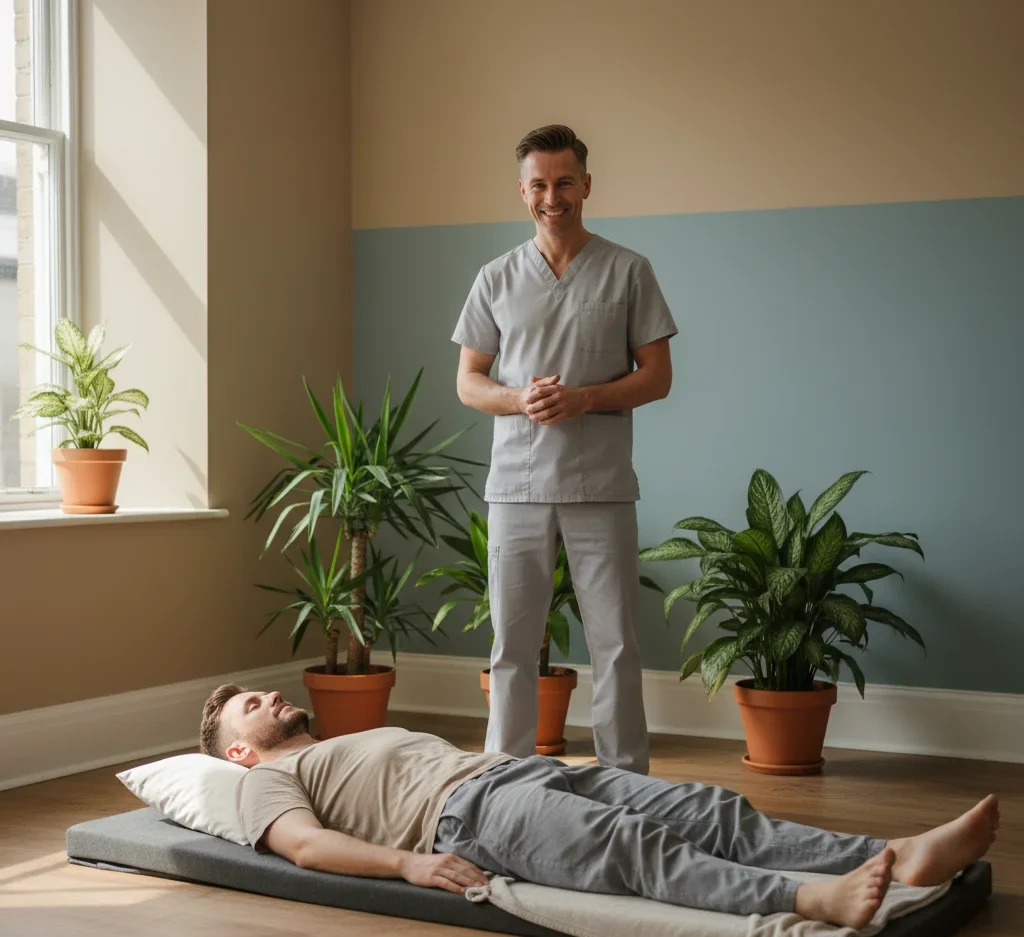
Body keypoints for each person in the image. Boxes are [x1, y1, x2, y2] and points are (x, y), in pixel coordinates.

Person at [200, 685, 1000, 930]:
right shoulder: (266, 779)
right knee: (640, 847)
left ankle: (896, 851)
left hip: (524, 773)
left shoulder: (345, 739)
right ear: (239, 749)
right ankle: (809, 898)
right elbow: (303, 847)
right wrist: (410, 862)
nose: (271, 695)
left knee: (713, 808)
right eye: (250, 704)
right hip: (471, 818)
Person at [452, 124, 679, 774]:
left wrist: (581, 399)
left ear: (586, 185)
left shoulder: (629, 270)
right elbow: (469, 380)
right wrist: (520, 400)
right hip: (516, 487)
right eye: (540, 185)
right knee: (512, 647)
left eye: (565, 183)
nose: (553, 197)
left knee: (614, 646)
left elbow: (658, 377)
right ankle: (504, 786)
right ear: (522, 191)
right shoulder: (495, 277)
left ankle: (627, 784)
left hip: (600, 486)